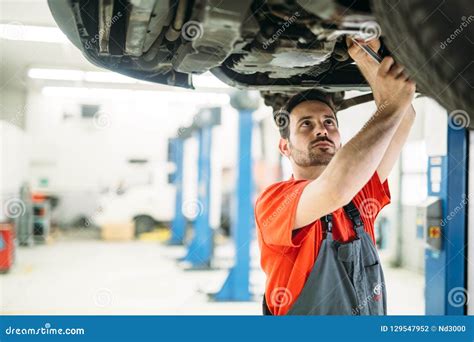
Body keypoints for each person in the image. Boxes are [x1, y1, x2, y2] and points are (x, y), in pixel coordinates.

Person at [255, 38, 416, 315]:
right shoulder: (275, 200)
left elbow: (403, 117)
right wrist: (391, 105)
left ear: (340, 140)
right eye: (306, 124)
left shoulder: (358, 200)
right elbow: (333, 190)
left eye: (329, 122)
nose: (322, 130)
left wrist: (365, 57)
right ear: (285, 147)